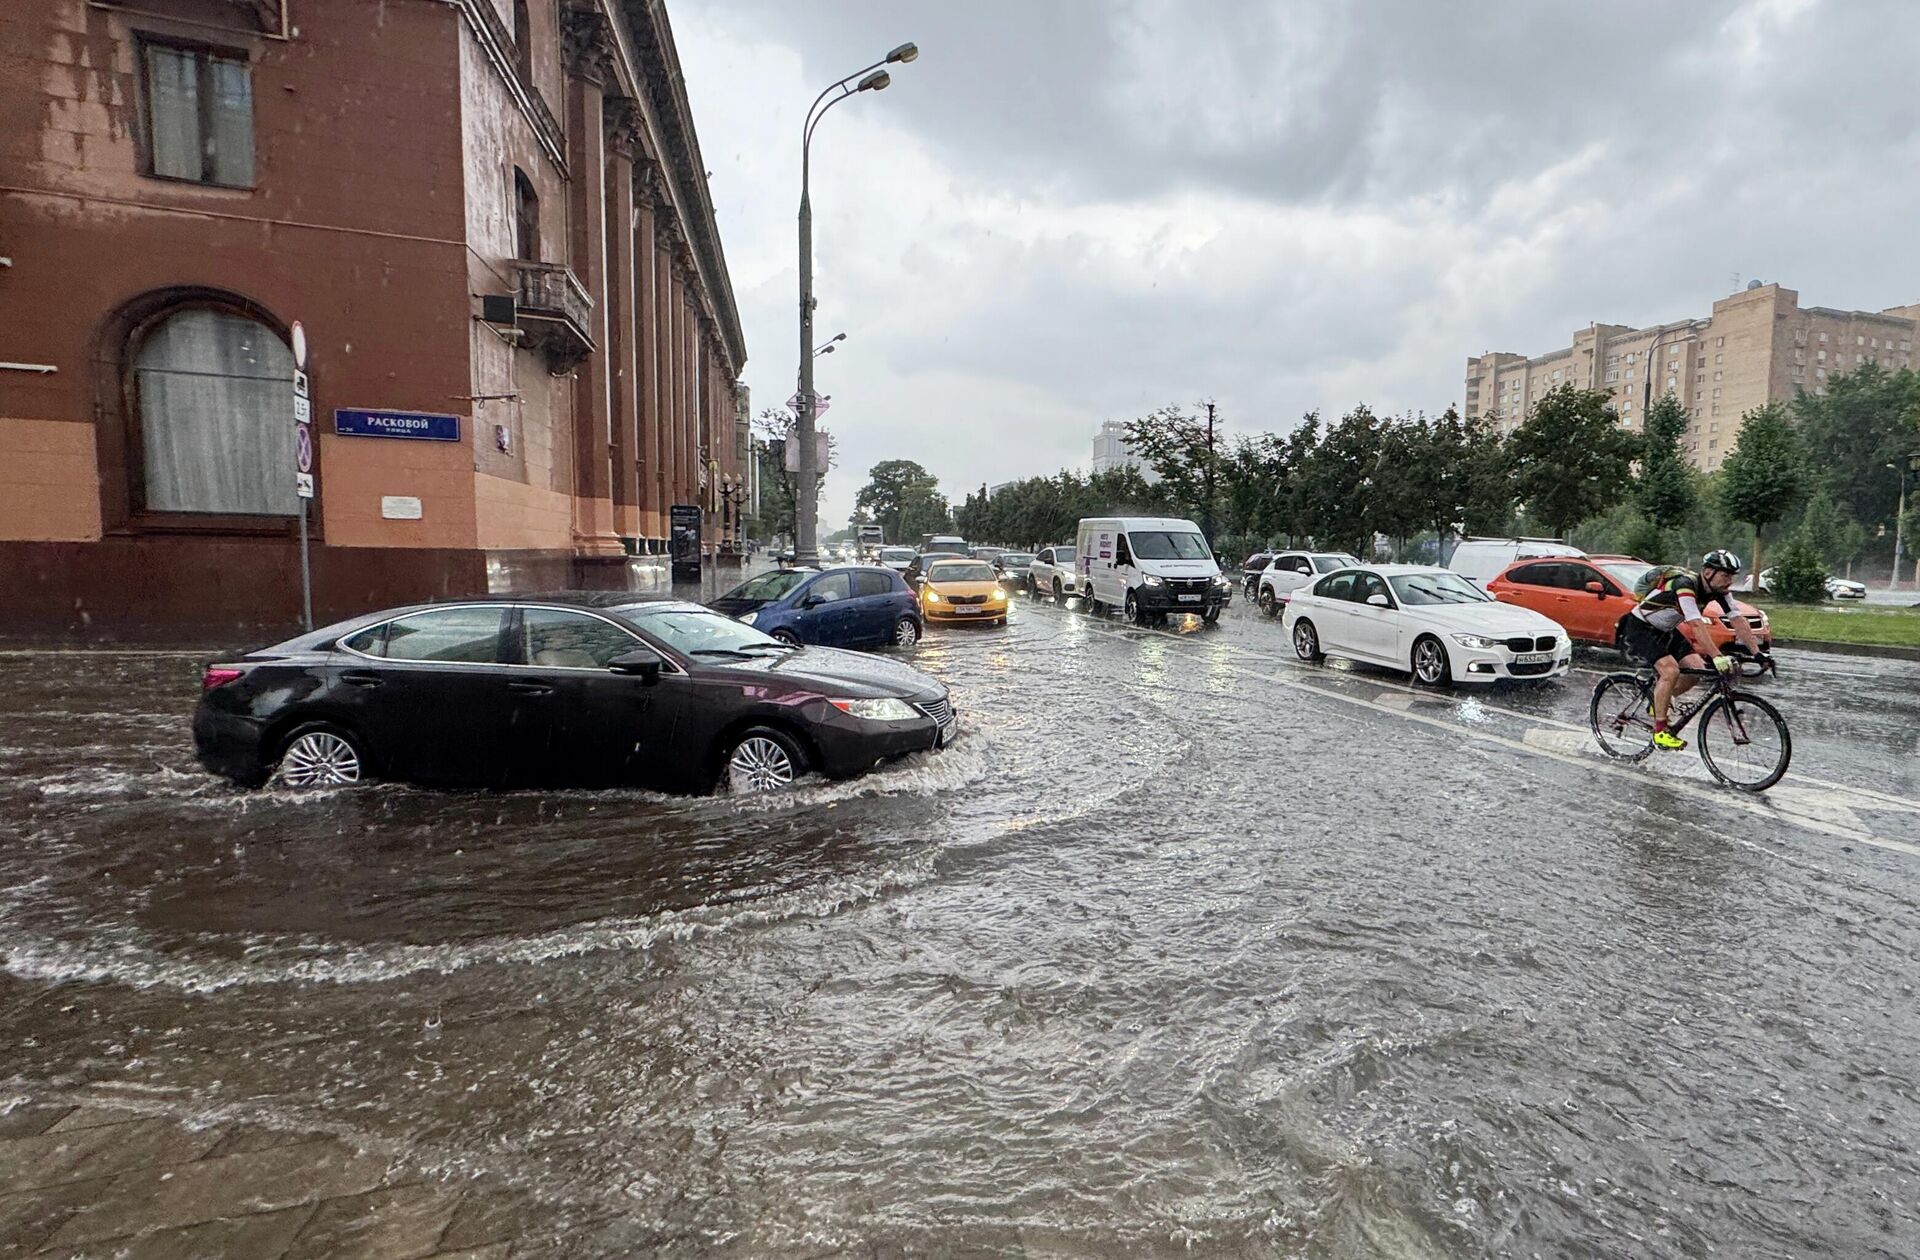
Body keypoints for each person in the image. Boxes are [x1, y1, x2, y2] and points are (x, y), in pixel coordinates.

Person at [1621, 550, 1770, 749]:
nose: (1729, 581)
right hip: (1639, 627)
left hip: (1666, 630)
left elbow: (1738, 619)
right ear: (1708, 572)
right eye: (1726, 575)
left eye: (1732, 576)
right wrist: (1717, 656)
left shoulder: (1720, 592)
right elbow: (1696, 624)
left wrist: (1758, 654)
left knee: (1696, 670)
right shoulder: (1685, 585)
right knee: (1670, 671)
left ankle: (1658, 702)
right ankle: (1659, 732)